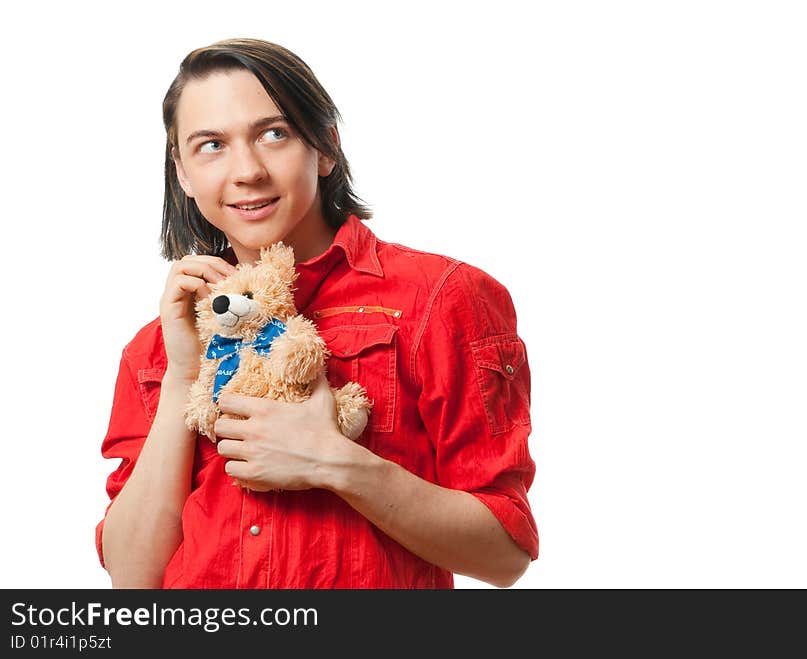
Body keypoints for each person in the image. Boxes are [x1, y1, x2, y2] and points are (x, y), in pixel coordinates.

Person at [96, 37, 538, 589]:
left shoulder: (442, 297)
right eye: (211, 145)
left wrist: (332, 462)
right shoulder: (157, 347)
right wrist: (184, 375)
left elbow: (504, 555)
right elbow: (133, 580)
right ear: (182, 173)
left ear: (326, 147)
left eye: (273, 134)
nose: (247, 171)